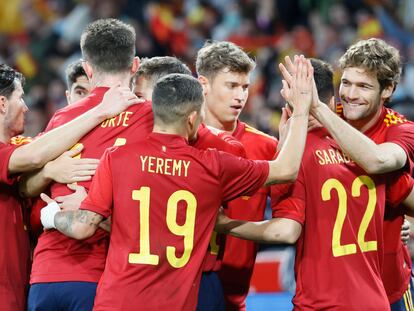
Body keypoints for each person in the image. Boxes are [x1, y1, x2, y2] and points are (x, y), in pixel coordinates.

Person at [39, 69, 312, 311]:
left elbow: (83, 227)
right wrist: (300, 110)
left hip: (116, 302)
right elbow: (285, 169)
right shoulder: (212, 166)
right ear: (193, 118)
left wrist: (51, 216)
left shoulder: (117, 157)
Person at [219, 56, 414, 310]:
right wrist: (402, 221)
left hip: (321, 302)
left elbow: (286, 231)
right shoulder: (367, 151)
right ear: (333, 101)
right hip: (374, 299)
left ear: (288, 101)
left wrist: (223, 224)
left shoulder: (293, 158)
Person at [26, 18, 155, 311]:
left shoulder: (60, 119)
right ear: (135, 65)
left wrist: (48, 173)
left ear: (87, 68)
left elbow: (27, 187)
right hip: (106, 275)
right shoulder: (152, 120)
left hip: (46, 274)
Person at [0, 62, 139, 311]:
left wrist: (47, 173)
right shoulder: (32, 152)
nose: (26, 107)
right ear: (2, 104)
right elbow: (32, 158)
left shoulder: (30, 148)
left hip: (30, 284)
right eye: (21, 98)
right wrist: (100, 111)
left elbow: (24, 185)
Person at [294, 39, 414, 310]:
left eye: (363, 86)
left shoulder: (401, 129)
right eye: (346, 83)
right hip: (333, 292)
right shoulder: (322, 118)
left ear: (388, 90)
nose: (349, 94)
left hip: (390, 285)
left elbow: (378, 160)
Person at [195, 40, 278, 311]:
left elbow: (296, 216)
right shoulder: (178, 140)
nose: (241, 96)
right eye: (231, 86)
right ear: (203, 84)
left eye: (244, 87)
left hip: (235, 296)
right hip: (179, 290)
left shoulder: (266, 146)